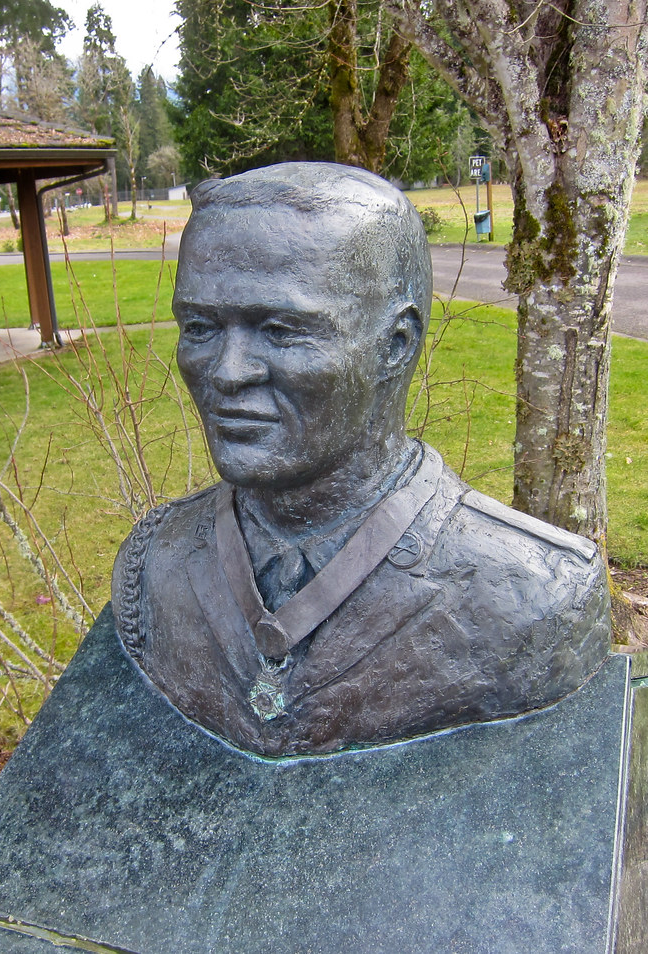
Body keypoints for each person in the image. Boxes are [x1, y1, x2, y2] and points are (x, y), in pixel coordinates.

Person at [111, 162, 611, 756]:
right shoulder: (153, 566)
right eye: (199, 326)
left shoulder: (535, 599)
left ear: (394, 347)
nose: (227, 371)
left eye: (280, 330)